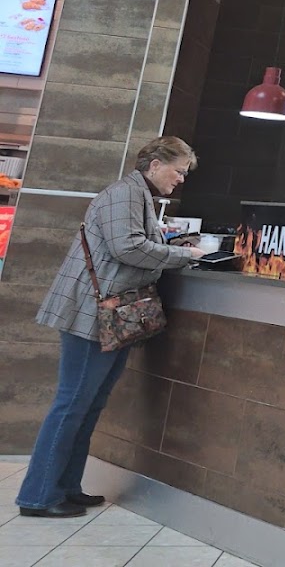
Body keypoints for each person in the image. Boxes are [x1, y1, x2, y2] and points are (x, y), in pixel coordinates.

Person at [16, 136, 204, 518]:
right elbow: (127, 247)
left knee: (88, 405)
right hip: (91, 315)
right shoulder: (125, 193)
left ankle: (66, 487)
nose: (181, 179)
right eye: (179, 171)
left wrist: (172, 247)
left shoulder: (138, 195)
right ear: (155, 164)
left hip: (105, 316)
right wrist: (182, 254)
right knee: (73, 404)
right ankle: (38, 496)